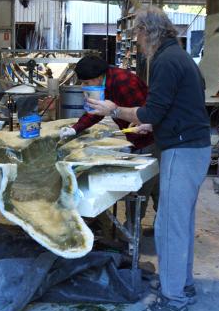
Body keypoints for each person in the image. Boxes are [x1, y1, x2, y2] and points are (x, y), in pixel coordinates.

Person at [87, 6, 210, 311]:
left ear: (148, 32)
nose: (138, 42)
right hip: (191, 146)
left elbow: (152, 111)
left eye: (138, 35)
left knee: (169, 228)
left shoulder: (166, 61)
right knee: (179, 224)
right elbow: (177, 105)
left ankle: (174, 302)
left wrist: (117, 110)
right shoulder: (179, 56)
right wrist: (154, 124)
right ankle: (182, 286)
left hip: (183, 151)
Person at [59, 56, 158, 227]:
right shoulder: (101, 83)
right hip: (134, 137)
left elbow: (148, 112)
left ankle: (132, 234)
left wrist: (144, 123)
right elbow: (95, 111)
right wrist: (75, 128)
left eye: (86, 82)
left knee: (142, 187)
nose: (84, 86)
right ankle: (154, 230)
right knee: (153, 183)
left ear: (99, 76)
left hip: (150, 137)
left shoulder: (124, 82)